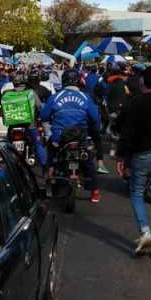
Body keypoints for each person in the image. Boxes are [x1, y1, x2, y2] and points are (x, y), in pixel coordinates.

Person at [116, 62, 151, 259]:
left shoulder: (135, 102)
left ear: (141, 85)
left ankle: (145, 230)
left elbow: (127, 132)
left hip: (141, 155)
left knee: (136, 193)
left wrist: (121, 155)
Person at [41, 68, 102, 203]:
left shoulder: (55, 97)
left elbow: (44, 116)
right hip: (81, 137)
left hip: (59, 137)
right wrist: (95, 129)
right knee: (89, 160)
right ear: (78, 81)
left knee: (51, 153)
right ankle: (95, 191)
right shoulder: (85, 97)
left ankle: (49, 177)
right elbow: (95, 117)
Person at [2, 71, 47, 165]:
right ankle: (45, 167)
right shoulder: (30, 92)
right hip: (30, 125)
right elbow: (40, 106)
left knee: (6, 144)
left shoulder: (7, 93)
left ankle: (5, 163)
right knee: (38, 144)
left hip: (13, 124)